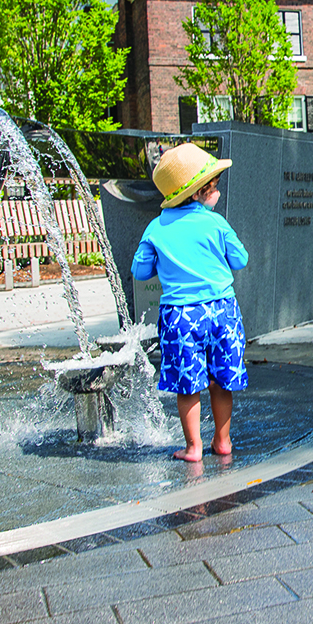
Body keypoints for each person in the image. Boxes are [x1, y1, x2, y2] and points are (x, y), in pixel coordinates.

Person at [131, 142, 249, 462]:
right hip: (222, 311)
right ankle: (222, 441)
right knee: (220, 381)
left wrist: (162, 258)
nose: (218, 193)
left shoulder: (156, 227)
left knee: (188, 384)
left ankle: (193, 447)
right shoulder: (216, 224)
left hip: (180, 316)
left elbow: (139, 271)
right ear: (198, 192)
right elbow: (240, 260)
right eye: (214, 187)